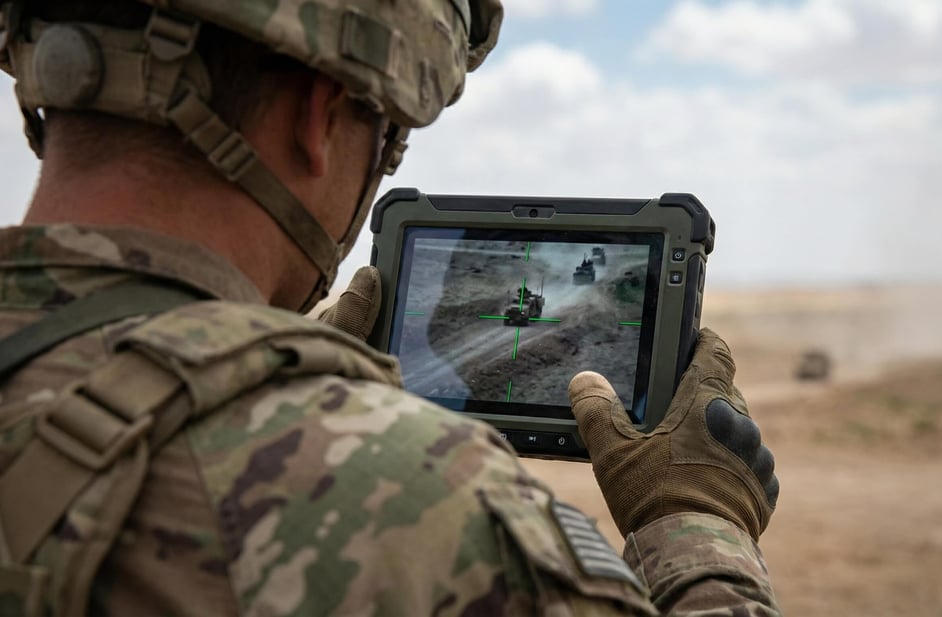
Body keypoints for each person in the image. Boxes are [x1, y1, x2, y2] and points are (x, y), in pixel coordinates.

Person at [0, 0, 781, 614]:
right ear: (319, 118)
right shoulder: (422, 509)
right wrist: (695, 526)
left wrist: (255, 372)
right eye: (384, 139)